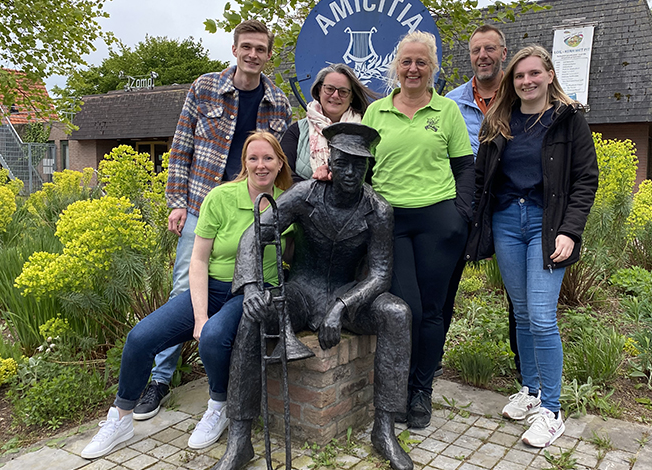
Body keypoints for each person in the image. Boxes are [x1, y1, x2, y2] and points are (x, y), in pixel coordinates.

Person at [81, 132, 294, 459]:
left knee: (213, 336)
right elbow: (198, 259)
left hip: (252, 291)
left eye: (268, 158)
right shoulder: (221, 197)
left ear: (280, 162)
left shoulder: (287, 204)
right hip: (210, 286)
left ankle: (219, 405)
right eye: (254, 158)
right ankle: (121, 418)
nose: (261, 165)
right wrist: (198, 314)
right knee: (140, 337)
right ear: (244, 163)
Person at [215, 123, 413, 470]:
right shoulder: (304, 194)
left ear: (369, 167)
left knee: (397, 313)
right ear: (330, 162)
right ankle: (239, 439)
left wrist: (343, 305)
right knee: (254, 314)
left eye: (359, 165)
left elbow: (381, 273)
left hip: (347, 295)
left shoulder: (379, 210)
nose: (350, 172)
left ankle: (384, 429)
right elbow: (253, 236)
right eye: (342, 163)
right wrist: (250, 288)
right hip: (302, 291)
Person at [137, 19, 292, 421]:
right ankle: (159, 379)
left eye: (261, 49)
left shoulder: (277, 100)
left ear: (268, 54)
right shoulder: (205, 87)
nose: (253, 54)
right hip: (204, 202)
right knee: (185, 291)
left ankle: (224, 385)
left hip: (254, 209)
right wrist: (175, 201)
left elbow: (281, 156)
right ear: (235, 49)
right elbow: (181, 146)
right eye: (247, 47)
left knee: (248, 290)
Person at [466, 45, 598, 448]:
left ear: (549, 75)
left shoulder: (568, 120)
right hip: (507, 222)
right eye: (520, 76)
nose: (527, 81)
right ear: (513, 80)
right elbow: (481, 175)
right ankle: (532, 390)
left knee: (542, 317)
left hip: (547, 224)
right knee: (521, 313)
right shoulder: (499, 120)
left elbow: (585, 180)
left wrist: (570, 231)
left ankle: (553, 411)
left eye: (534, 74)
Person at [361, 31, 474, 429]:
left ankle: (421, 393)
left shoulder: (447, 112)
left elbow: (464, 168)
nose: (413, 69)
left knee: (433, 311)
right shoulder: (376, 112)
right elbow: (366, 169)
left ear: (432, 68)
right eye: (406, 61)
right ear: (397, 66)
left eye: (421, 62)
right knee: (406, 309)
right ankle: (400, 388)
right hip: (392, 221)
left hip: (438, 222)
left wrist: (460, 213)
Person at [446, 24, 521, 380]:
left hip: (509, 206)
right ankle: (426, 368)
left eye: (490, 49)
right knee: (443, 286)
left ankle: (528, 377)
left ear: (503, 52)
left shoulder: (521, 95)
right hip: (463, 206)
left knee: (519, 296)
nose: (483, 57)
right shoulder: (450, 103)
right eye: (476, 50)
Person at [280, 63, 376, 181]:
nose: (335, 95)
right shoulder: (297, 131)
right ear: (319, 90)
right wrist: (318, 187)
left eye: (343, 92)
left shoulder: (366, 131)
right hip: (305, 199)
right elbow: (284, 172)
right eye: (329, 89)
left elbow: (375, 174)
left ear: (352, 97)